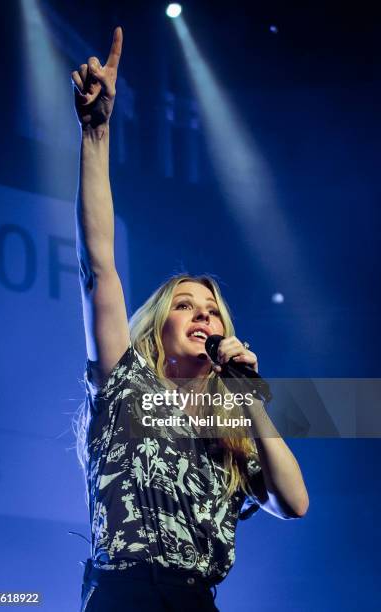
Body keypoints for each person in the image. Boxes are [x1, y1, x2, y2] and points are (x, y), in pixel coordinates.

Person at [72, 27, 309, 612]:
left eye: (212, 312)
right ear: (158, 325)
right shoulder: (127, 384)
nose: (202, 317)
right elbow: (98, 267)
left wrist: (249, 398)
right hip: (122, 595)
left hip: (197, 601)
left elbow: (294, 503)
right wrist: (97, 132)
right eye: (186, 306)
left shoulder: (230, 422)